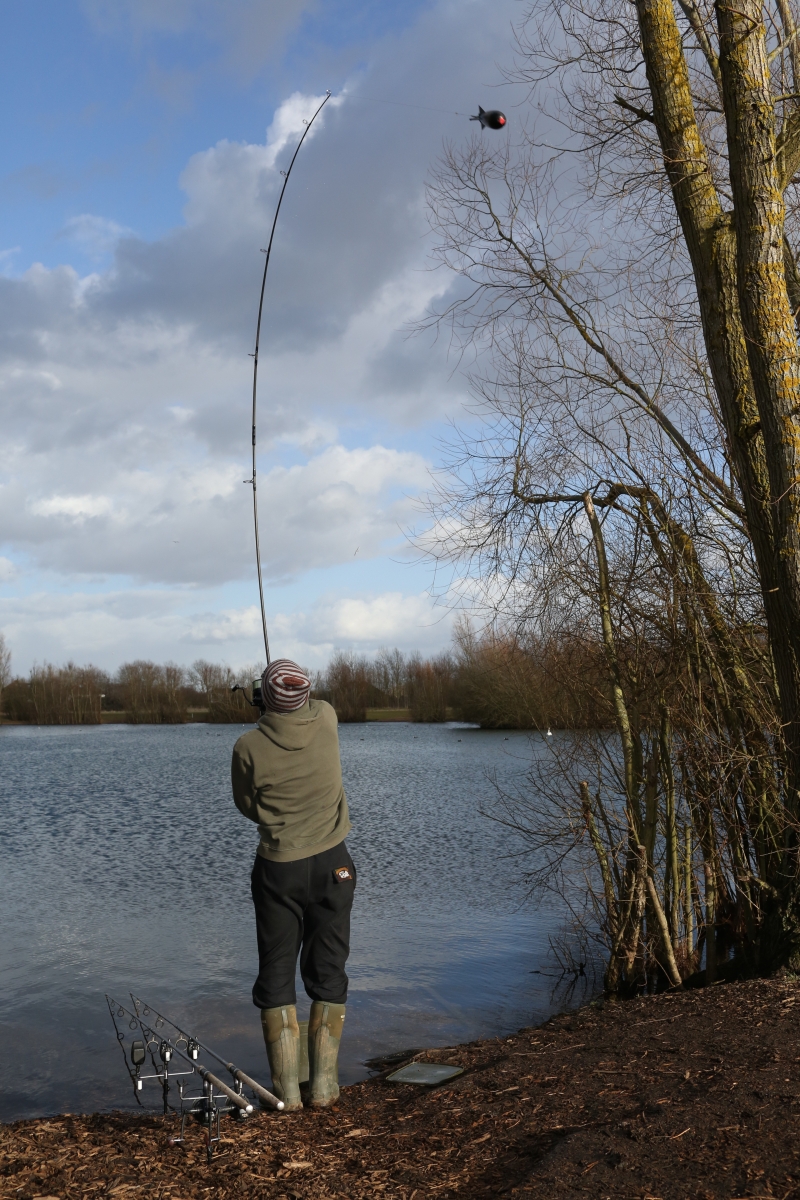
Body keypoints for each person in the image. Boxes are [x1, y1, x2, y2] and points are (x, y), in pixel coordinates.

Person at [231, 658, 356, 1111]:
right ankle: (323, 1088)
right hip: (334, 867)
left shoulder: (248, 745)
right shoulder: (327, 719)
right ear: (305, 693)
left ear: (264, 697)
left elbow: (247, 804)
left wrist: (264, 707)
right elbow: (301, 698)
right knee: (329, 968)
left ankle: (287, 1093)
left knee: (277, 971)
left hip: (279, 869)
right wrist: (273, 693)